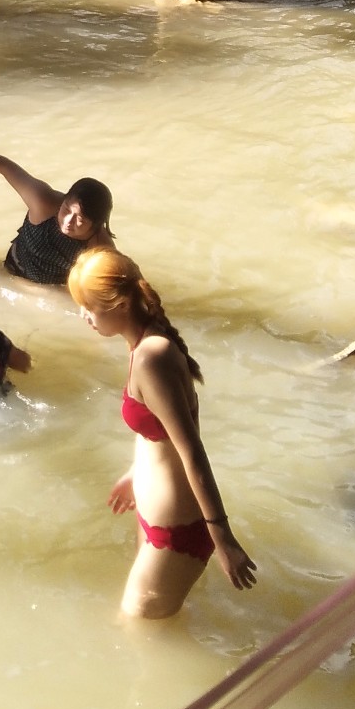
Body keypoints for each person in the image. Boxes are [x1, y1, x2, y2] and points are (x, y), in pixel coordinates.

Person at [68, 246, 256, 618]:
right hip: (157, 519)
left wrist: (223, 538)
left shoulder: (153, 356)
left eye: (90, 307)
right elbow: (159, 433)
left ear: (120, 304)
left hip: (178, 532)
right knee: (150, 630)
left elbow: (192, 451)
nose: (84, 316)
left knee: (137, 634)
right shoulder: (141, 343)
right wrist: (136, 473)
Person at [0, 140, 112, 285]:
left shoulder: (99, 244)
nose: (68, 221)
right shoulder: (43, 202)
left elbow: (121, 282)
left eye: (80, 220)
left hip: (55, 290)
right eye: (67, 209)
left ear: (96, 225)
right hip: (12, 272)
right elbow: (5, 167)